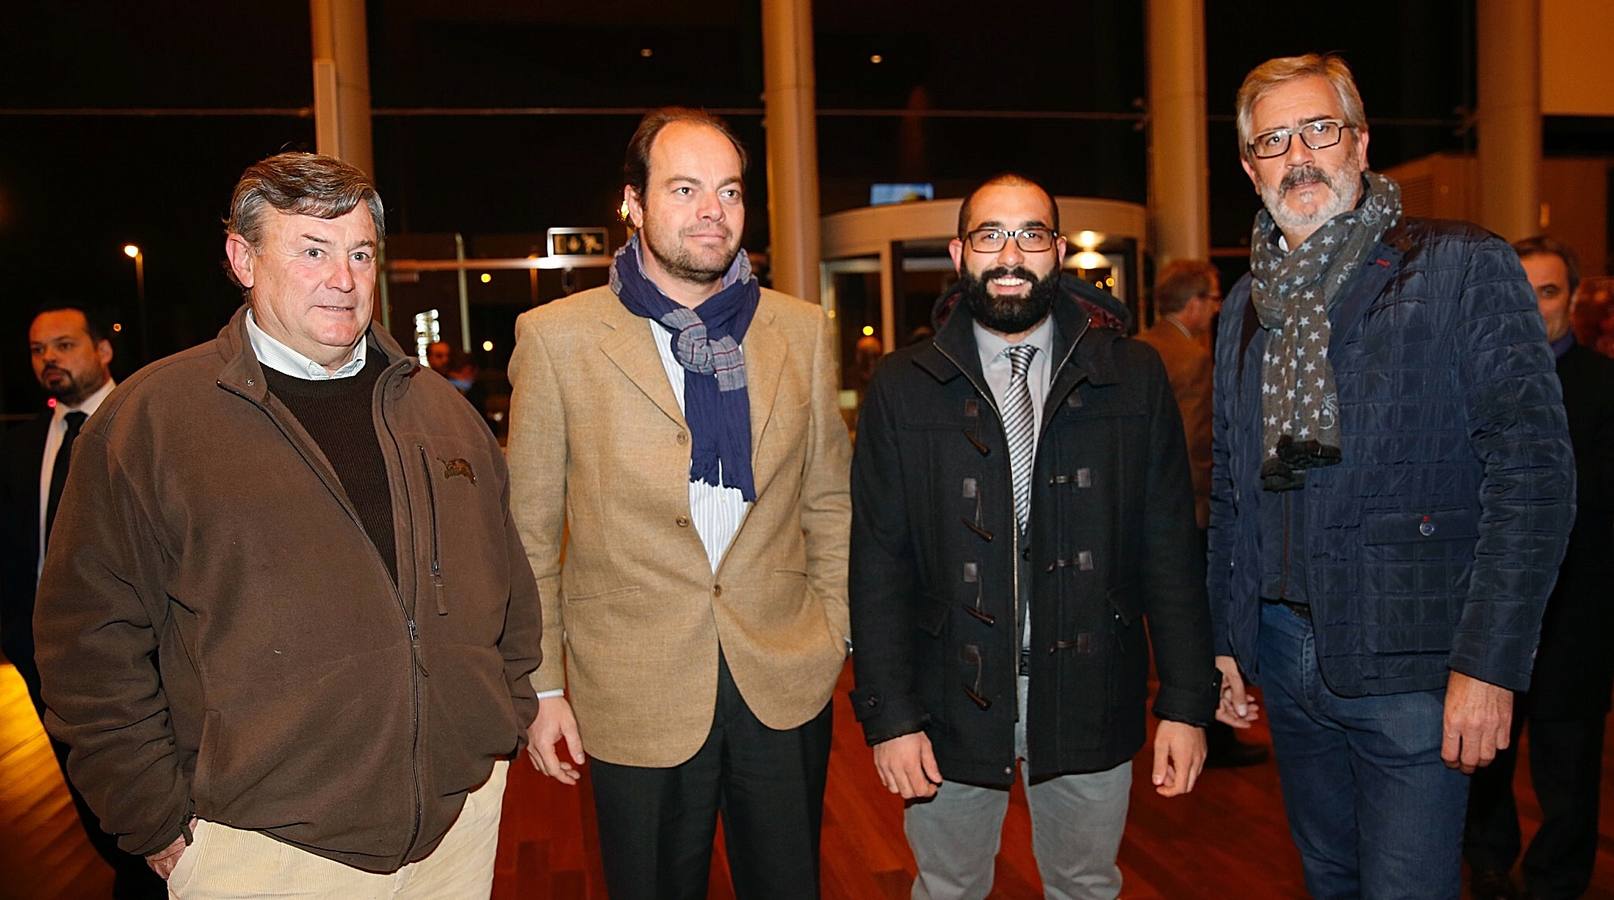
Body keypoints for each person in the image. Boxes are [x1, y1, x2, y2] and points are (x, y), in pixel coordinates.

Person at [32, 151, 542, 897]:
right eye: (312, 250)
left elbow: (511, 589)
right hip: (261, 853)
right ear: (243, 258)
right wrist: (158, 823)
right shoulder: (152, 422)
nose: (344, 278)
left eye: (360, 253)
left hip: (456, 833)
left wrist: (505, 722)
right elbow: (87, 647)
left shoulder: (441, 412)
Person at [1208, 54, 1575, 898]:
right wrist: (1228, 639)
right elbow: (1234, 487)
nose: (1299, 154)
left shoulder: (1458, 266)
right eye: (1273, 140)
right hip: (1286, 650)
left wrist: (1488, 665)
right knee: (1331, 880)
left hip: (1419, 665)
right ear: (1248, 166)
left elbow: (1533, 474)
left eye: (1320, 129)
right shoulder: (1245, 308)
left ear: (1361, 143)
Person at [506, 108, 851, 900]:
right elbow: (527, 533)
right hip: (633, 684)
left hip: (783, 672)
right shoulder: (558, 339)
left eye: (728, 191)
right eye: (686, 188)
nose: (712, 211)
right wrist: (544, 686)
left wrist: (833, 629)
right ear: (633, 202)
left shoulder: (798, 330)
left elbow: (829, 499)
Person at [849, 173, 1218, 900]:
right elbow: (878, 563)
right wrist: (890, 715)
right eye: (990, 235)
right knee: (947, 887)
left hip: (1091, 690)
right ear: (961, 252)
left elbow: (1171, 551)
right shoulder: (902, 385)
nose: (1010, 254)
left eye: (1031, 235)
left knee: (1086, 885)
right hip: (947, 697)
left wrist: (1185, 701)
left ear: (1057, 252)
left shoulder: (1132, 376)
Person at [1463, 236, 1614, 900]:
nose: (1530, 305)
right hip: (1489, 613)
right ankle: (1489, 866)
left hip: (1579, 614)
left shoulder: (1608, 388)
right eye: (1517, 291)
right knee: (1482, 756)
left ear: (1573, 298)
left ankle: (1557, 881)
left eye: (1547, 290)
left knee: (1570, 768)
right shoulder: (1469, 387)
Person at [0, 306, 164, 899]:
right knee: (89, 804)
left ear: (102, 351)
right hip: (44, 661)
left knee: (145, 797)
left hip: (138, 659)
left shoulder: (149, 425)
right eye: (39, 350)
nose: (50, 359)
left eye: (64, 345)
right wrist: (19, 636)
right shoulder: (21, 448)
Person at [1138, 262, 1269, 770]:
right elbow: (1195, 447)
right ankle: (1212, 727)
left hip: (1148, 514)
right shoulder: (1191, 359)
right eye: (1212, 300)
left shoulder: (1143, 346)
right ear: (1192, 303)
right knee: (1201, 622)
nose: (1215, 309)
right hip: (1187, 513)